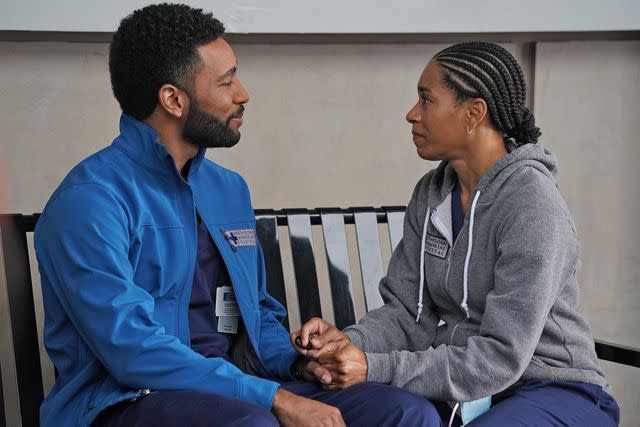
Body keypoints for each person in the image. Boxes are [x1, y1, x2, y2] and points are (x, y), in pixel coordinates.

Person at [34, 4, 441, 427]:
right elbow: (132, 350)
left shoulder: (227, 189)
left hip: (237, 386)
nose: (242, 93)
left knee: (404, 412)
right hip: (126, 401)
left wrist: (300, 365)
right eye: (226, 82)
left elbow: (256, 311)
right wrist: (274, 399)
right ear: (173, 99)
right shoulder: (90, 201)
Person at [292, 42, 621, 427]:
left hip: (555, 388)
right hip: (475, 389)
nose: (412, 114)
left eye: (426, 100)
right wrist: (345, 346)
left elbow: (501, 356)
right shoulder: (433, 193)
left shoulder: (532, 206)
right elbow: (406, 315)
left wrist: (373, 367)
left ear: (473, 112)